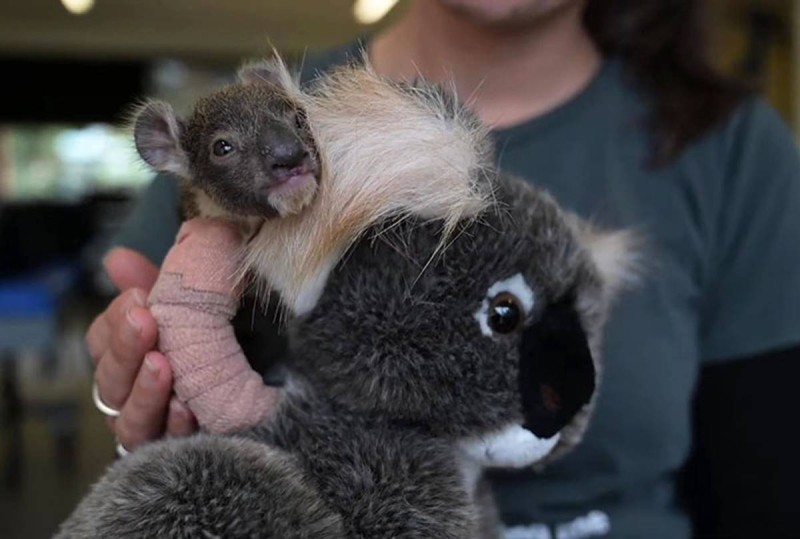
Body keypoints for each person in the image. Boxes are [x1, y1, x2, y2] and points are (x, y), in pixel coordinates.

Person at [86, 1, 800, 537]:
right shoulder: (227, 154)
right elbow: (158, 382)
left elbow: (763, 488)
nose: (283, 151)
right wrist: (143, 407)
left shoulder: (733, 151)